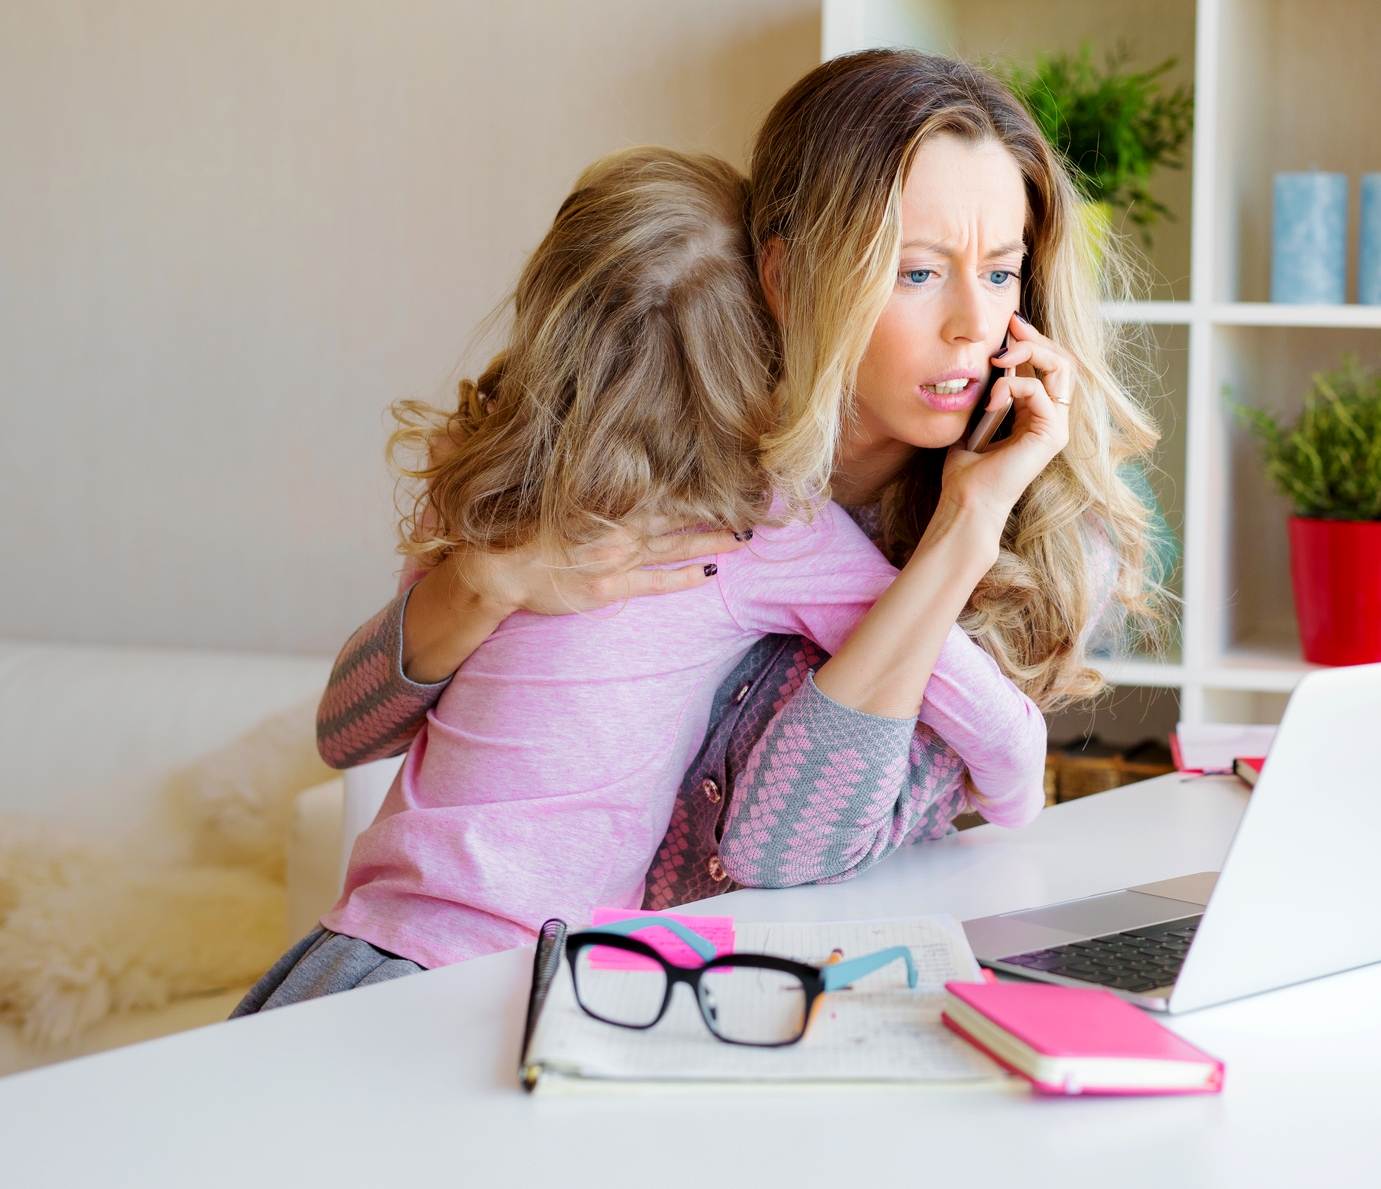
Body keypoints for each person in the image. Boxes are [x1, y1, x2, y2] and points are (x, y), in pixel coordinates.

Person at [251, 53, 1161, 1009]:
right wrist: (489, 581)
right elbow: (342, 730)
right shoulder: (592, 463)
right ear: (785, 274)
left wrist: (970, 523)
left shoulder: (997, 543)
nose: (977, 324)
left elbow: (782, 851)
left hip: (631, 999)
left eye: (1005, 271)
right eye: (917, 271)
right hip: (420, 963)